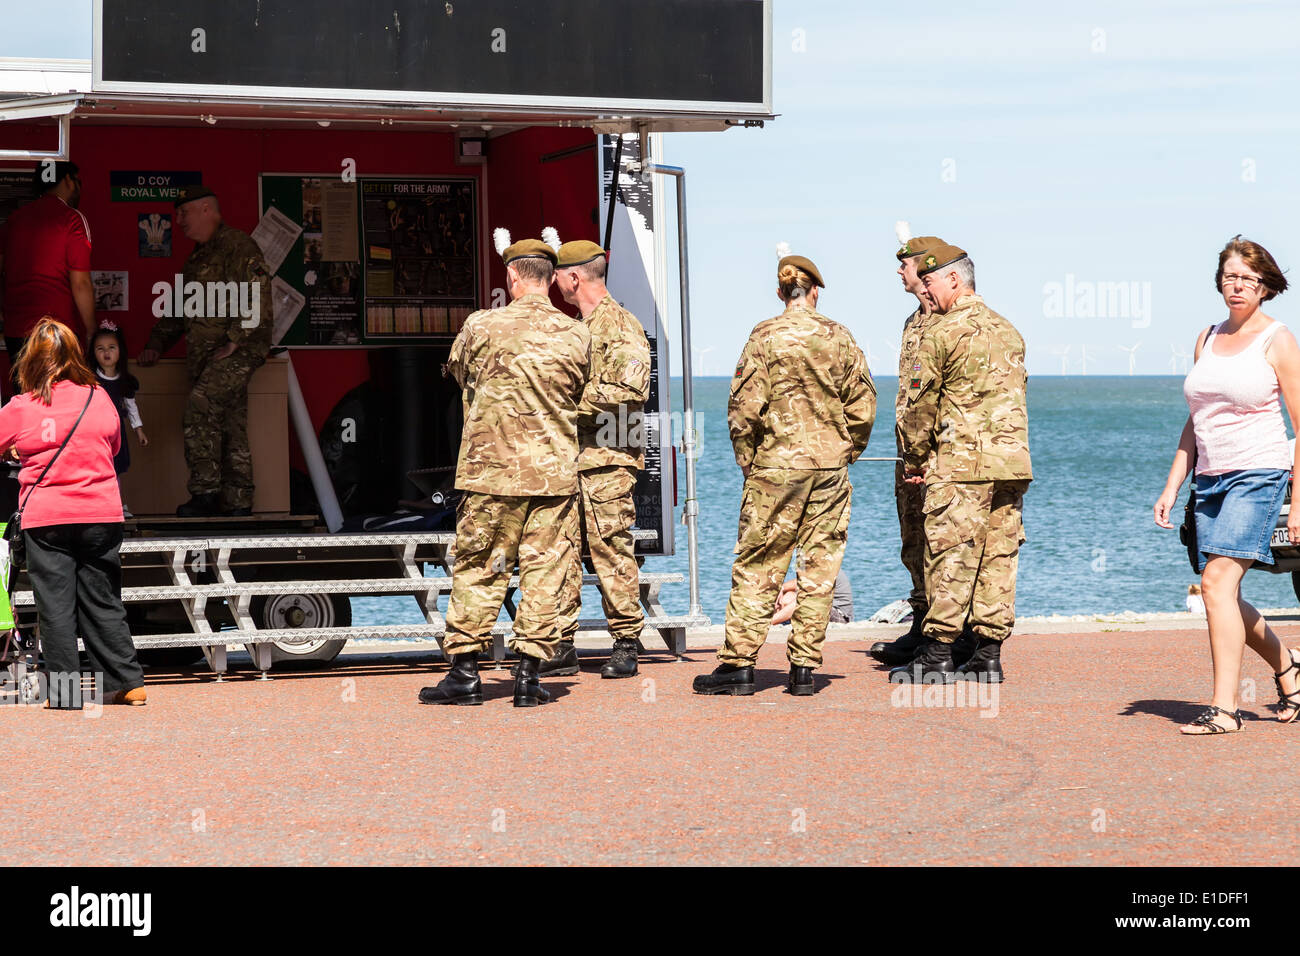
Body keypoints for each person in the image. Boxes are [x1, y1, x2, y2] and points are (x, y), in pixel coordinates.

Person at [419, 230, 590, 708]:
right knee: (545, 572)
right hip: (553, 475)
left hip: (490, 474)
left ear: (512, 275)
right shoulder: (577, 333)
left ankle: (465, 674)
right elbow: (582, 392)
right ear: (552, 280)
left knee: (479, 567)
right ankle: (528, 675)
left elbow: (457, 374)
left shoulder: (481, 326)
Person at [694, 247, 876, 697]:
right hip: (829, 469)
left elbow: (742, 409)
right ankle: (803, 671)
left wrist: (748, 463)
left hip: (774, 469)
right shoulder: (840, 336)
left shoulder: (763, 336)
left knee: (758, 563)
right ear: (814, 292)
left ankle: (738, 665)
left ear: (781, 291)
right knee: (819, 568)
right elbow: (864, 406)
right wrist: (845, 449)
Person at [1154, 236, 1300, 735]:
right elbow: (1195, 421)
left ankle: (1224, 709)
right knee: (1226, 594)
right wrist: (1173, 486)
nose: (1237, 286)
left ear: (1265, 285)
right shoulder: (1207, 337)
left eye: (1248, 279)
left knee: (1216, 584)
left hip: (1260, 473)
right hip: (1210, 479)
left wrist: (1298, 503)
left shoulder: (1276, 339)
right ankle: (1289, 667)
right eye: (1230, 277)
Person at [894, 242, 1032, 684]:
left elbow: (917, 407)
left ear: (955, 279)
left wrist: (914, 458)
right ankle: (987, 654)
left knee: (950, 555)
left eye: (929, 281)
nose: (925, 291)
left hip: (961, 465)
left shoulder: (940, 333)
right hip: (1010, 464)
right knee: (998, 557)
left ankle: (936, 655)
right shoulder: (1009, 329)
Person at [0, 317, 145, 708]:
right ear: (74, 357)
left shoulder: (21, 405)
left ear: (31, 360)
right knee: (103, 599)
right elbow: (113, 447)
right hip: (101, 513)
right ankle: (128, 684)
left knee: (57, 606)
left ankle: (64, 693)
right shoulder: (98, 396)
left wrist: (20, 449)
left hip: (48, 518)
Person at [546, 238, 651, 679]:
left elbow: (631, 393)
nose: (554, 284)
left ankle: (627, 641)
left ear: (573, 278)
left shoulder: (621, 326)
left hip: (607, 460)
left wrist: (565, 398)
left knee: (610, 549)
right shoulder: (576, 326)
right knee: (562, 553)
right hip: (572, 459)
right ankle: (561, 643)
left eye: (558, 276)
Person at [137, 185, 272, 517]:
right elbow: (179, 307)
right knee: (230, 422)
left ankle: (205, 494)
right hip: (211, 356)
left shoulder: (237, 245)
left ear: (207, 210)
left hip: (238, 352)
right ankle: (238, 502)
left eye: (184, 213)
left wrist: (236, 340)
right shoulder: (197, 257)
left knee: (200, 405)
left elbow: (259, 291)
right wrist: (156, 343)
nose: (178, 220)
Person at [870, 223, 957, 666]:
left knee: (945, 542)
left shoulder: (950, 321)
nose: (899, 273)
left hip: (943, 455)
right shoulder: (914, 322)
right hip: (910, 452)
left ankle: (948, 630)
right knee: (914, 539)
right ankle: (922, 616)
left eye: (903, 264)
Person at [0, 162, 95, 373]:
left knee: (26, 400)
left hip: (17, 330)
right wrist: (91, 331)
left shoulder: (15, 219)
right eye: (78, 181)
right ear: (69, 180)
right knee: (58, 401)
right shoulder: (72, 218)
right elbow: (81, 283)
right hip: (57, 331)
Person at [90, 322, 148, 516]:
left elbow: (131, 407)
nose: (106, 353)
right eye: (100, 348)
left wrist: (138, 430)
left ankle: (116, 504)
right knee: (95, 469)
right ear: (94, 353)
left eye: (111, 348)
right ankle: (96, 505)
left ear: (120, 351)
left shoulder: (125, 381)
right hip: (94, 434)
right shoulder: (89, 379)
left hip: (116, 433)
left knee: (115, 469)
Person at [772, 569, 854, 626]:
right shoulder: (814, 567)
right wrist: (781, 589)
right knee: (788, 596)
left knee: (803, 600)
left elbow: (804, 584)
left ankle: (770, 622)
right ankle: (779, 621)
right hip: (822, 609)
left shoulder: (828, 567)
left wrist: (781, 588)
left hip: (839, 615)